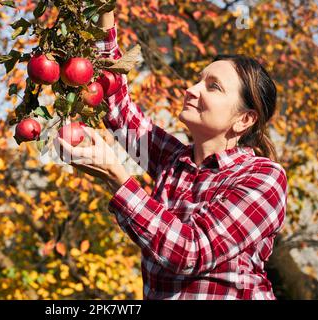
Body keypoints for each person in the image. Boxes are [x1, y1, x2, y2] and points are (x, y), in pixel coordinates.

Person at [55, 9, 288, 300]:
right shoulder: (175, 161)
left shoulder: (264, 177)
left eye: (212, 87)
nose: (191, 89)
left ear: (244, 120)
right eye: (198, 80)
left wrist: (117, 178)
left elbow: (190, 252)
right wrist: (105, 16)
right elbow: (119, 110)